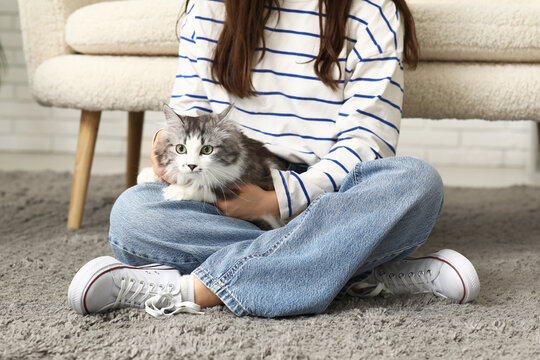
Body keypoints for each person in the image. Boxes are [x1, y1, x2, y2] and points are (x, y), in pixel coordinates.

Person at [68, 0, 480, 318]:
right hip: (224, 184)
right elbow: (187, 109)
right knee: (133, 215)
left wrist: (274, 202)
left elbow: (367, 143)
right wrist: (165, 145)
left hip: (333, 192)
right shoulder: (211, 6)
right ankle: (360, 269)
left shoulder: (372, 9)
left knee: (415, 182)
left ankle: (193, 291)